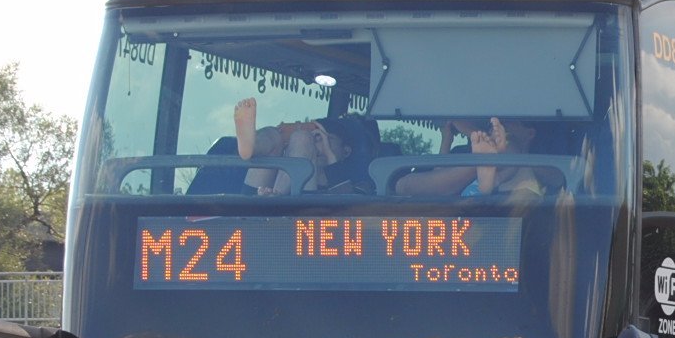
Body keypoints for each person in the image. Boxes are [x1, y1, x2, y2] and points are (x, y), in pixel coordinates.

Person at [232, 98, 378, 195]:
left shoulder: (360, 183)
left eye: (326, 138)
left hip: (301, 221)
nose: (318, 143)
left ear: (346, 151)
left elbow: (347, 209)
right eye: (316, 137)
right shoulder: (284, 168)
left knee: (302, 137)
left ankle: (277, 200)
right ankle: (252, 145)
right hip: (252, 209)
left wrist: (331, 159)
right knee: (286, 135)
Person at [394, 116, 542, 198]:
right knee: (403, 185)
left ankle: (486, 164)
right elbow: (435, 182)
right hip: (461, 214)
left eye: (509, 120)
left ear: (530, 133)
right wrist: (446, 139)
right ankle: (483, 162)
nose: (498, 125)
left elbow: (510, 154)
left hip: (489, 216)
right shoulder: (465, 154)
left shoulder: (534, 166)